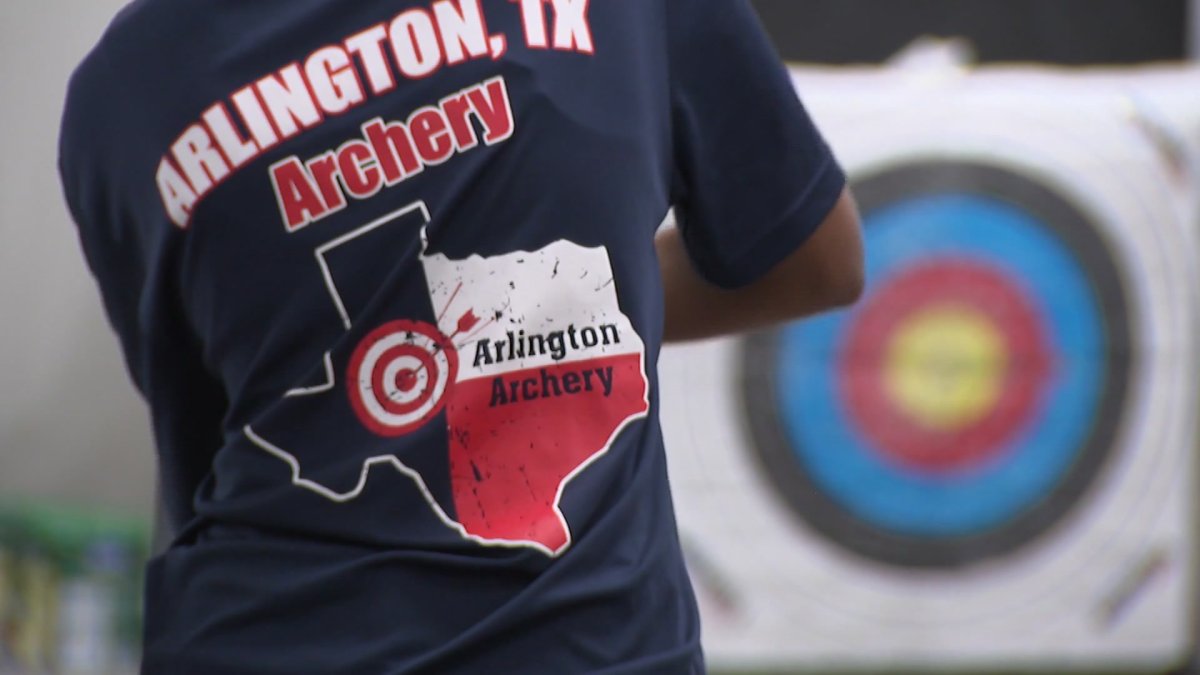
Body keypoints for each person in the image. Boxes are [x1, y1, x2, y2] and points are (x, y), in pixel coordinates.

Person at [58, 0, 863, 671]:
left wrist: (487, 319)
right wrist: (544, 310)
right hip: (585, 645)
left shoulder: (120, 93)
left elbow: (206, 431)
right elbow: (814, 258)